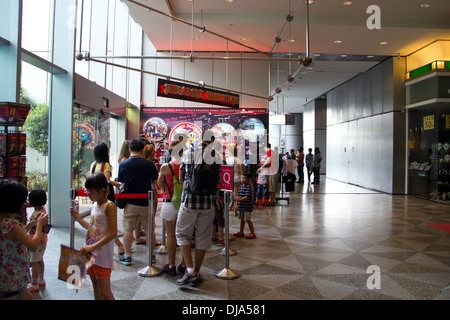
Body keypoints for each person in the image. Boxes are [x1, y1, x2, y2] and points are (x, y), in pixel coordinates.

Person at [175, 133, 220, 287]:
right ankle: (197, 272)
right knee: (203, 239)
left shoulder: (189, 153)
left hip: (189, 201)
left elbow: (181, 178)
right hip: (208, 204)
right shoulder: (216, 155)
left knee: (182, 234)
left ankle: (190, 270)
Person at [70, 173, 117, 300]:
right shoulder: (95, 205)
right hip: (91, 254)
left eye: (90, 191)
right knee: (95, 285)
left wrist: (92, 247)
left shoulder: (109, 206)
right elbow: (92, 228)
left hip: (101, 256)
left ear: (102, 191)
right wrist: (78, 218)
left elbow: (113, 233)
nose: (88, 194)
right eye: (87, 191)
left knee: (105, 291)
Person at [0, 179, 48, 300]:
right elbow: (33, 245)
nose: (25, 203)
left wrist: (31, 223)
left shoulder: (5, 221)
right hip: (12, 278)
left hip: (9, 275)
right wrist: (39, 225)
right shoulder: (11, 225)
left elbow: (21, 232)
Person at [117, 138, 159, 266]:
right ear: (142, 150)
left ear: (130, 150)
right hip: (146, 202)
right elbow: (156, 182)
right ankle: (151, 255)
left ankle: (127, 255)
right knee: (149, 229)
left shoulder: (123, 164)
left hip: (130, 202)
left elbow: (121, 182)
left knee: (128, 229)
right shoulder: (150, 164)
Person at [157, 140, 185, 276]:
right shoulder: (186, 165)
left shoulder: (165, 166)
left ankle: (171, 265)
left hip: (169, 202)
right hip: (184, 204)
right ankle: (184, 264)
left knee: (171, 235)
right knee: (184, 235)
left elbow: (159, 184)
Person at [90, 142, 124, 255]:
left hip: (96, 195)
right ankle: (119, 245)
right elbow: (107, 180)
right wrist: (118, 184)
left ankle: (119, 245)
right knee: (109, 223)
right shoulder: (106, 165)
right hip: (105, 195)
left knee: (100, 222)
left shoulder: (93, 165)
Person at [24, 189, 49, 293]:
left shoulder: (38, 214)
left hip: (36, 239)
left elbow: (31, 227)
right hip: (43, 240)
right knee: (39, 260)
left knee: (33, 261)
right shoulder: (43, 210)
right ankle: (41, 279)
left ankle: (34, 284)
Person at [233, 171, 255, 239]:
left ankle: (252, 233)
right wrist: (236, 205)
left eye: (244, 178)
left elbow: (247, 197)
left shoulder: (248, 187)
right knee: (242, 219)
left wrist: (239, 200)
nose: (242, 180)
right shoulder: (240, 187)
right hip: (241, 207)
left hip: (247, 207)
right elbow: (238, 196)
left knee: (248, 219)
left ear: (248, 179)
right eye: (242, 178)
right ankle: (241, 232)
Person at [226, 145, 245, 210]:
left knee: (229, 193)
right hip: (237, 178)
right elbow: (242, 170)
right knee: (236, 194)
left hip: (228, 179)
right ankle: (235, 207)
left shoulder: (227, 160)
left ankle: (229, 206)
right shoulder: (239, 160)